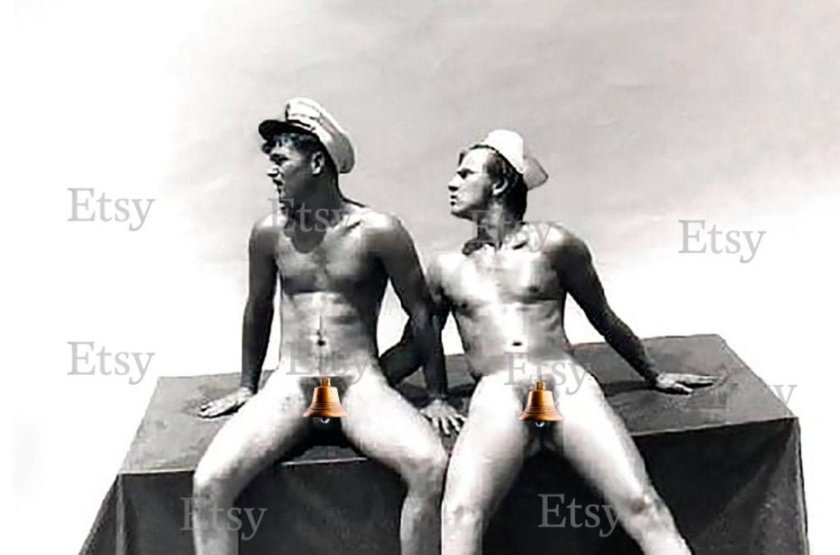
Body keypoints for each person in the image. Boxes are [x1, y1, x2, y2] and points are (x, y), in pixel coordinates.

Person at [380, 130, 715, 555]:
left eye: (465, 174)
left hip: (564, 382)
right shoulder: (446, 268)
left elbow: (603, 316)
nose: (451, 183)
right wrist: (357, 386)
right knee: (460, 513)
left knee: (642, 504)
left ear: (499, 184)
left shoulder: (555, 244)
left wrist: (653, 372)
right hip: (499, 390)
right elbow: (414, 346)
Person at [193, 97, 459, 555]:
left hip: (358, 384)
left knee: (430, 465)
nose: (272, 171)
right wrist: (246, 385)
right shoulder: (269, 232)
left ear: (316, 162)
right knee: (209, 483)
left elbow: (421, 312)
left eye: (281, 160)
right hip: (291, 383)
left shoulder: (379, 231)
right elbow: (258, 308)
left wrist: (437, 394)